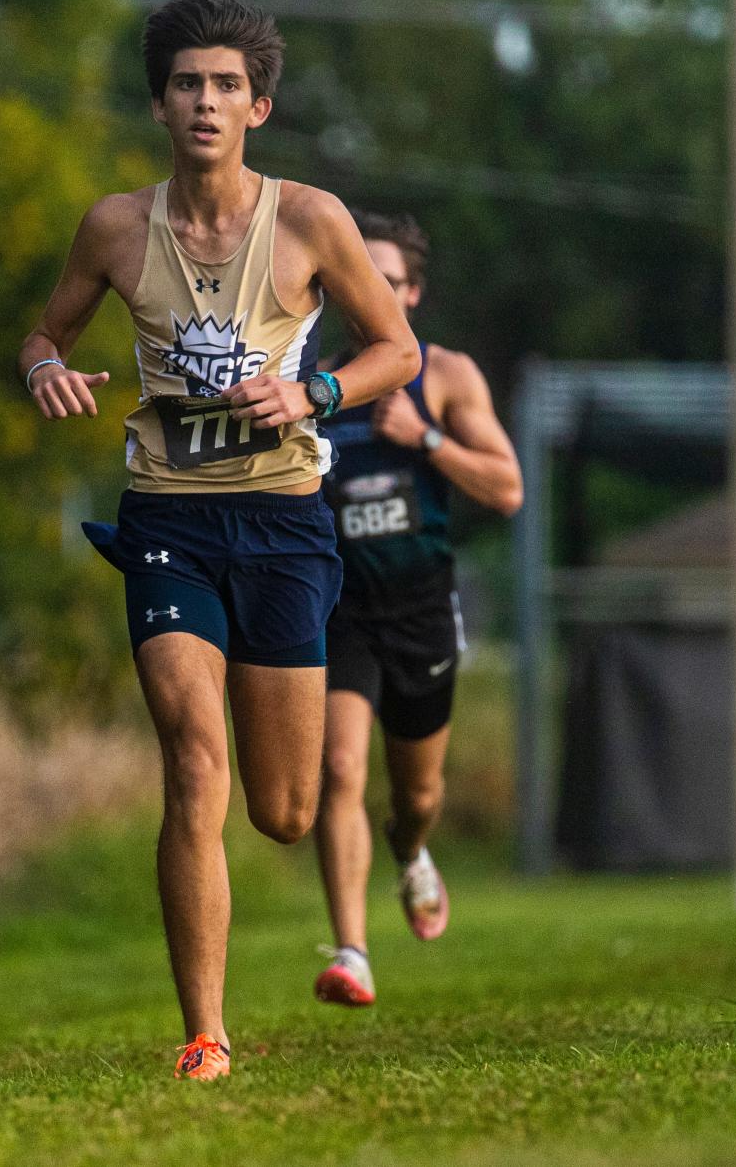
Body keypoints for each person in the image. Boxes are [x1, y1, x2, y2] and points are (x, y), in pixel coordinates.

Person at [16, 0, 420, 1080]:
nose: (205, 100)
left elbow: (399, 351)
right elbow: (45, 331)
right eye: (188, 82)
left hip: (284, 522)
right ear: (160, 101)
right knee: (195, 766)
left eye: (226, 85)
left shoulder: (311, 221)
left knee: (284, 809)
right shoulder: (113, 226)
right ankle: (206, 1033)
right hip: (169, 521)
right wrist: (47, 367)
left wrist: (317, 390)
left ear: (259, 105)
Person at [312, 210, 523, 1007]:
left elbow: (508, 490)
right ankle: (351, 951)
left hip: (423, 610)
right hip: (342, 609)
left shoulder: (446, 377)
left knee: (417, 798)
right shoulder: (318, 387)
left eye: (388, 282)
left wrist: (426, 439)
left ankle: (412, 852)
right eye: (354, 279)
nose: (371, 295)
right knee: (338, 769)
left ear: (414, 292)